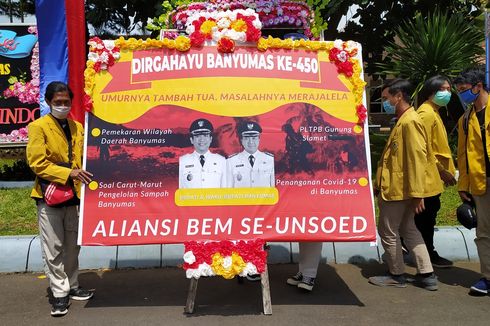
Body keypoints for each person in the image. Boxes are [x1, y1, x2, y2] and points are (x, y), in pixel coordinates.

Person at [26, 82, 94, 317]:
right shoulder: (38, 127)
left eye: (66, 102)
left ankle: (73, 285)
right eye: (58, 102)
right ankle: (59, 292)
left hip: (74, 195)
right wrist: (68, 173)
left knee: (73, 245)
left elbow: (85, 156)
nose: (63, 106)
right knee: (53, 247)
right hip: (50, 196)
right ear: (48, 102)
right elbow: (37, 162)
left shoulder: (77, 127)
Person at [369, 79, 440, 291]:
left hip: (400, 190)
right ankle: (427, 274)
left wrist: (418, 194)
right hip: (402, 188)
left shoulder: (410, 122)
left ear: (398, 96)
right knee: (409, 228)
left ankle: (396, 274)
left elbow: (418, 159)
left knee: (388, 231)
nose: (385, 102)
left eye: (386, 98)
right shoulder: (404, 120)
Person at [413, 75, 457, 268]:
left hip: (432, 176)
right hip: (428, 177)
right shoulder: (426, 114)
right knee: (426, 217)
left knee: (428, 215)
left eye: (449, 89)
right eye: (443, 89)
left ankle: (422, 250)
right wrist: (441, 171)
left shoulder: (434, 111)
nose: (447, 93)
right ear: (431, 91)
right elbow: (422, 148)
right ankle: (427, 253)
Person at [453, 68, 490, 295]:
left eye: (464, 90)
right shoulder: (465, 119)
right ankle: (488, 277)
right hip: (480, 181)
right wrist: (463, 185)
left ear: (478, 86)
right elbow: (462, 156)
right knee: (484, 232)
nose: (462, 95)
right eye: (459, 92)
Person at [179, 118, 226, 188]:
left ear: (211, 139)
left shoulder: (221, 161)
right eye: (197, 136)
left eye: (205, 135)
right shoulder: (183, 161)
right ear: (191, 140)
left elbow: (224, 190)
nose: (202, 139)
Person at [226, 120, 275, 188]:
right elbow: (228, 189)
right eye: (246, 138)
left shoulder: (270, 159)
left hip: (263, 199)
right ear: (241, 140)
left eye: (254, 138)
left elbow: (273, 188)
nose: (251, 142)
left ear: (259, 139)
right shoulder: (231, 161)